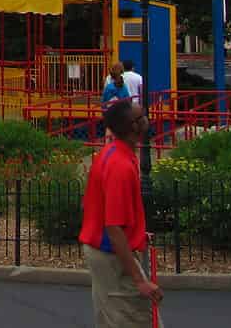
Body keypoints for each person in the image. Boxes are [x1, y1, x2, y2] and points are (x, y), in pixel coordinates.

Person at [79, 99, 163, 326]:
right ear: (133, 127)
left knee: (113, 317)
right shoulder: (121, 166)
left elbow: (93, 205)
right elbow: (113, 227)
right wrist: (139, 280)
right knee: (133, 318)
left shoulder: (111, 153)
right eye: (142, 117)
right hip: (112, 256)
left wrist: (135, 232)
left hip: (106, 252)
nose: (147, 120)